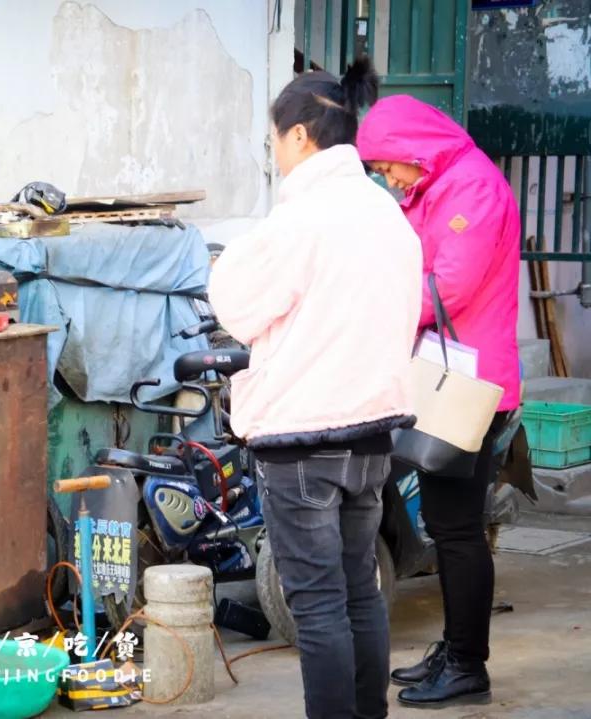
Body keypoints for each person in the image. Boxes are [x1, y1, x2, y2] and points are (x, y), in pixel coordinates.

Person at [208, 59, 422, 719]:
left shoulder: (301, 219)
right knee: (360, 589)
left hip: (303, 440)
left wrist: (228, 264)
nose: (274, 156)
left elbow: (237, 308)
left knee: (321, 605)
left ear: (300, 135)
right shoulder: (387, 215)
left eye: (274, 141)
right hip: (372, 433)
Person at [358, 95, 521, 710]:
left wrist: (374, 314)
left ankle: (467, 665)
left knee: (456, 529)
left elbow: (445, 286)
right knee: (448, 524)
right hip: (444, 377)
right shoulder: (437, 187)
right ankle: (455, 646)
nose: (387, 177)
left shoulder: (472, 188)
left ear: (413, 149)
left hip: (472, 388)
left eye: (388, 165)